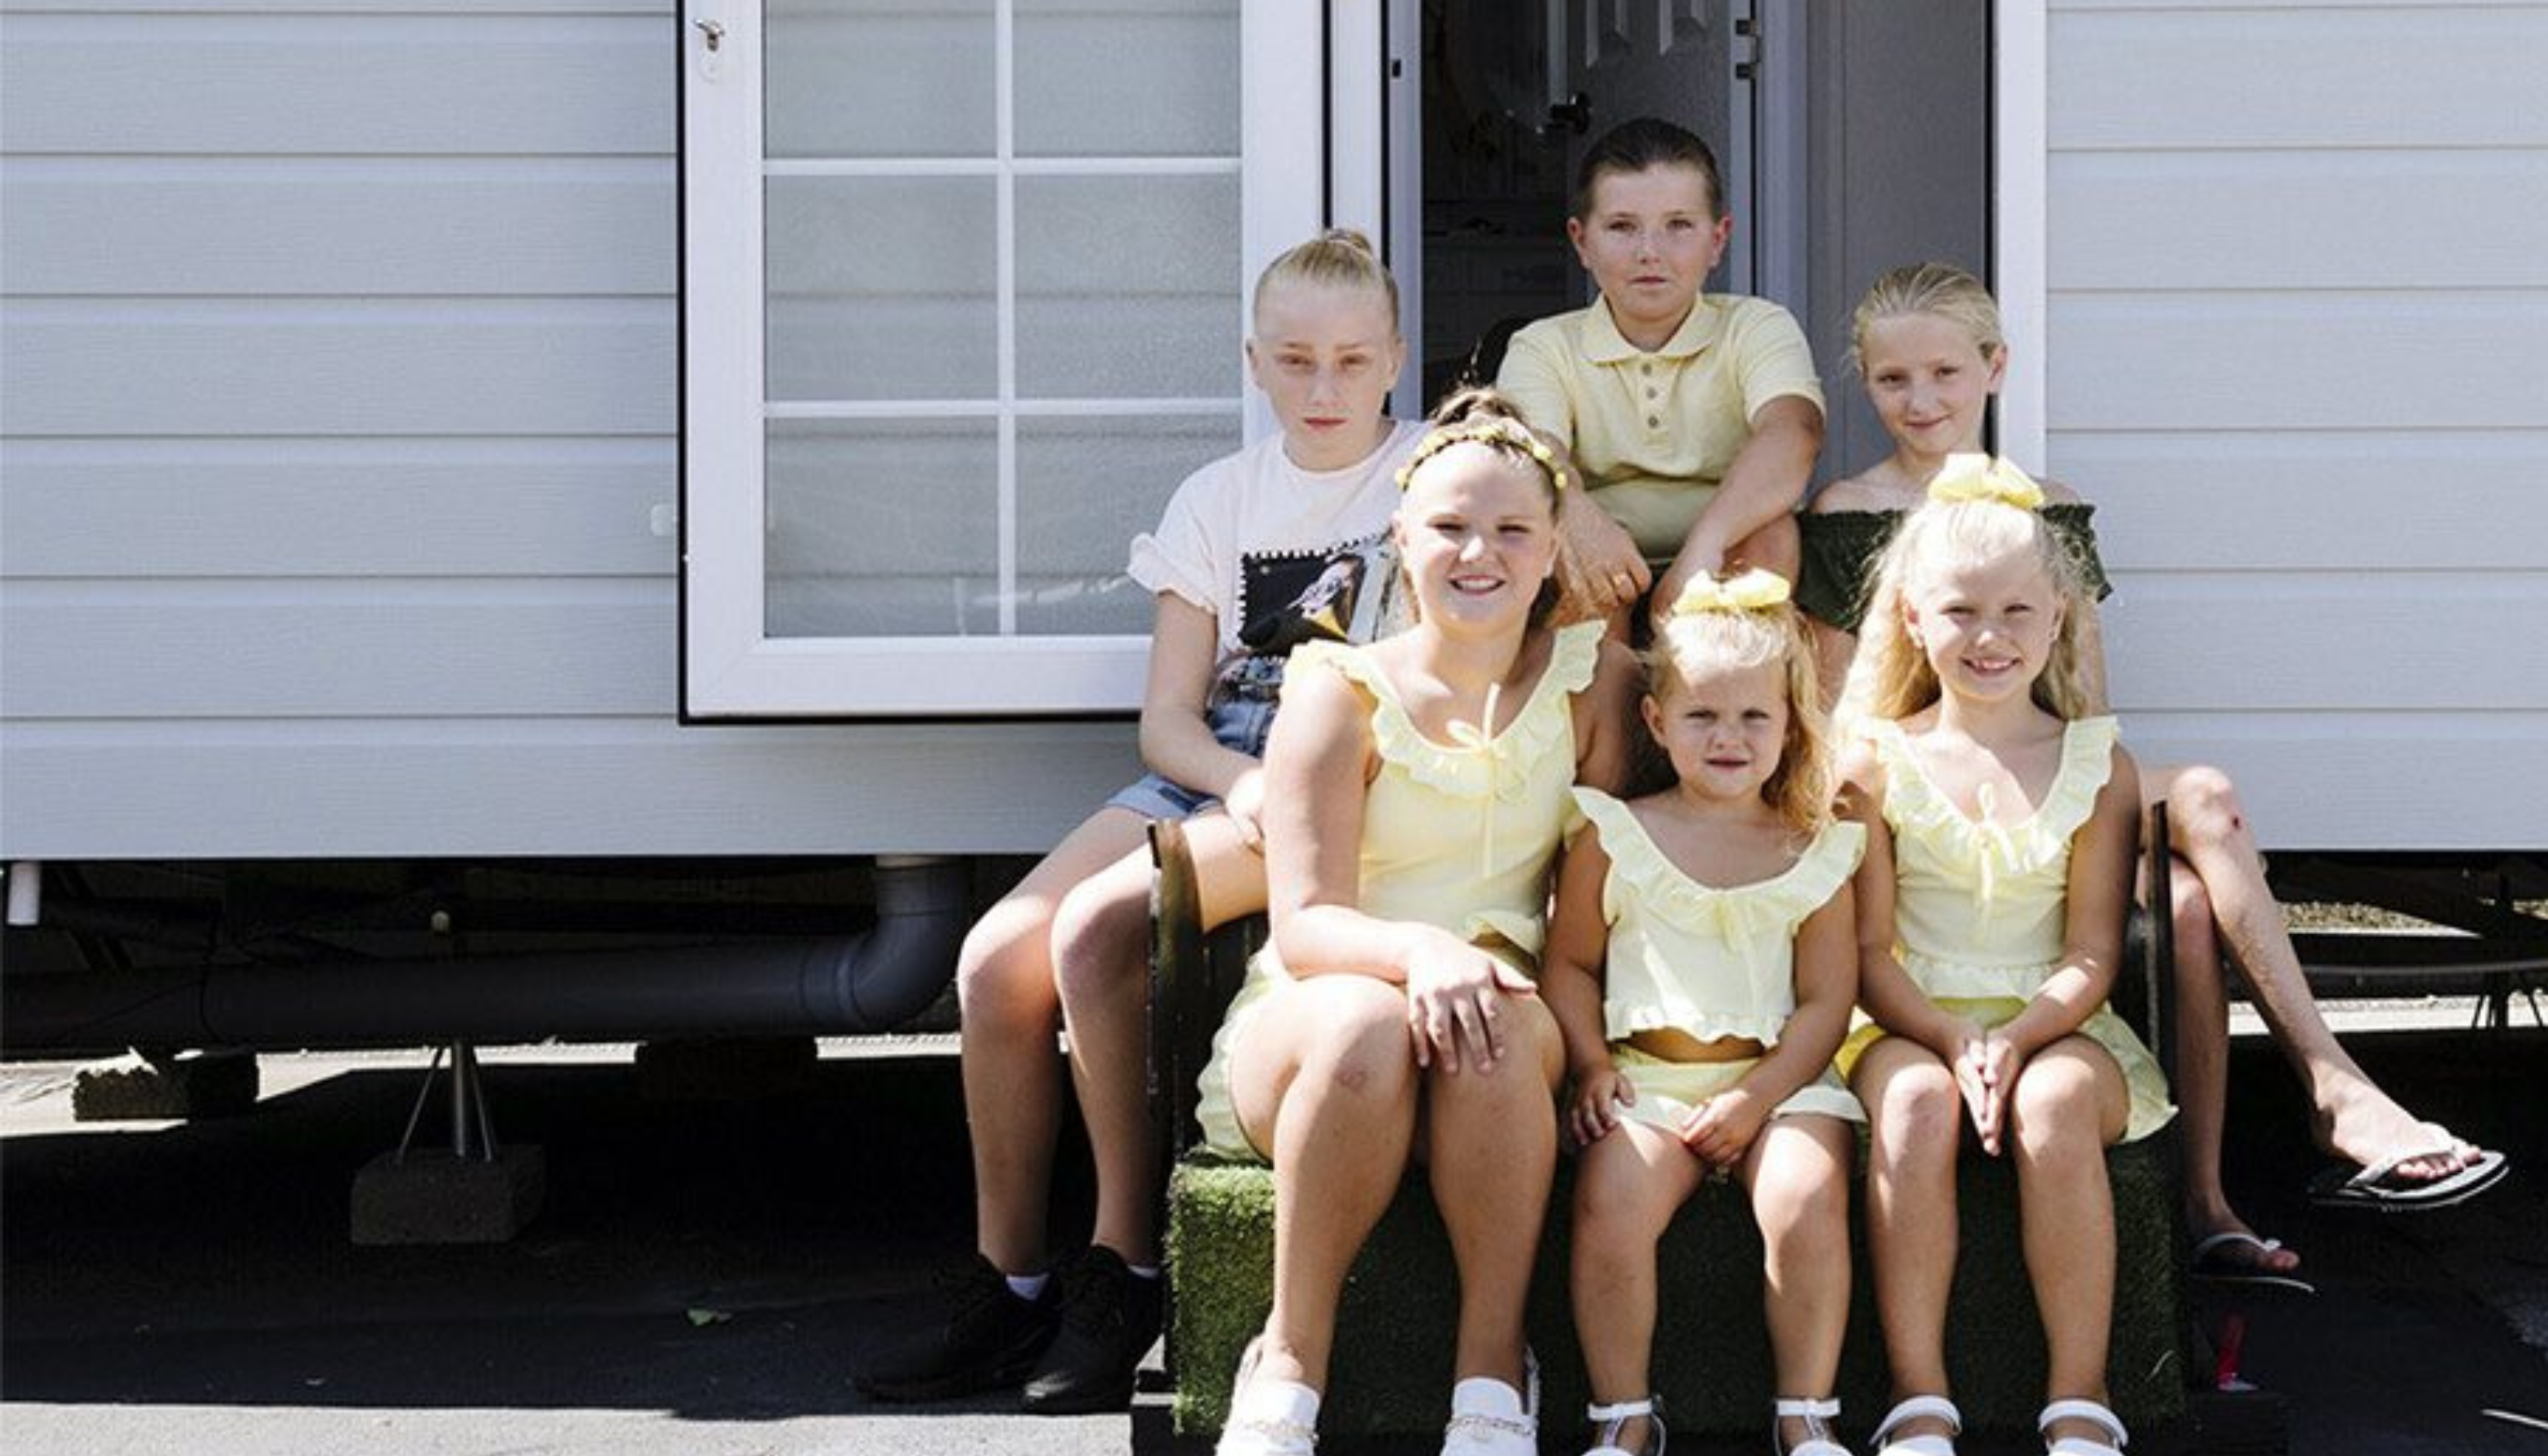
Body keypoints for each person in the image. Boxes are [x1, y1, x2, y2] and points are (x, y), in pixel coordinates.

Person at [1802, 262, 2505, 1288]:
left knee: (2199, 815)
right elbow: (1843, 707)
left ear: (1995, 368)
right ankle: (2271, 1146)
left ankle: (2263, 1148)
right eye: (1893, 378)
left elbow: (2084, 703)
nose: (1921, 400)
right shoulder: (1848, 506)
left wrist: (2069, 807)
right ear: (1865, 382)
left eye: (1945, 372)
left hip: (2048, 768)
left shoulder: (2047, 508)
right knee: (2181, 905)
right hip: (1926, 774)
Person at [856, 230, 1423, 1413]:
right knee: (992, 957)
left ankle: (1125, 1265)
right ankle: (1009, 1277)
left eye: (1351, 360)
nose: (1323, 387)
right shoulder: (1219, 497)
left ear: (1395, 359)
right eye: (1294, 360)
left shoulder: (1427, 474)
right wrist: (1235, 779)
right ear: (1253, 361)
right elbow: (1165, 720)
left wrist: (1285, 786)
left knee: (1095, 927)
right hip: (1222, 766)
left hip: (1343, 775)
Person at [1194, 389, 1640, 1456]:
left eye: (1512, 529)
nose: (1478, 553)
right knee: (1368, 1022)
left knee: (1489, 1021)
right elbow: (1305, 922)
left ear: (1551, 551)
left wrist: (1578, 1044)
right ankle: (1287, 1359)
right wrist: (1422, 951)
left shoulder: (1594, 686)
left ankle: (1490, 1369)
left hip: (1501, 1025)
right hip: (1324, 1010)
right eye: (1448, 526)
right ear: (1400, 537)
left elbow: (1590, 907)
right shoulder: (1336, 689)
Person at [1836, 477, 2170, 1456]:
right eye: (1960, 611)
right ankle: (1918, 1393)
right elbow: (1867, 952)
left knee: (2053, 1103)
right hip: (1905, 1017)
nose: (1989, 636)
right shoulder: (1873, 762)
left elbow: (2091, 952)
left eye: (2017, 610)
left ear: (2057, 614)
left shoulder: (2095, 764)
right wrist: (1951, 1039)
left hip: (2058, 1020)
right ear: (1911, 617)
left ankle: (2079, 1392)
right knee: (1912, 1105)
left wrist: (2016, 1039)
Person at [1540, 570, 1865, 1456]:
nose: (1728, 737)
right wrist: (1591, 1064)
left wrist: (1757, 1098)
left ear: (1789, 725)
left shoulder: (1810, 847)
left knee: (1804, 1195)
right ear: (1655, 722)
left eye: (1754, 716)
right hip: (1644, 1080)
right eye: (1702, 716)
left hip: (1781, 1085)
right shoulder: (1613, 834)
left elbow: (1826, 1001)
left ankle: (1805, 1412)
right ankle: (1622, 1415)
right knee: (1610, 1199)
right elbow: (1569, 964)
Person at [1495, 116, 1826, 634]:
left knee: (1773, 532)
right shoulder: (1544, 345)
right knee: (1553, 523)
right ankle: (1603, 678)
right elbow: (1532, 452)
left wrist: (1704, 549)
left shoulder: (1755, 326)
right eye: (1622, 227)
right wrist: (1577, 512)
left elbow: (1793, 434)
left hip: (1724, 549)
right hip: (1604, 556)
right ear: (1582, 242)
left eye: (1679, 225)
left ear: (1718, 239)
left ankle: (1730, 677)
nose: (1649, 251)